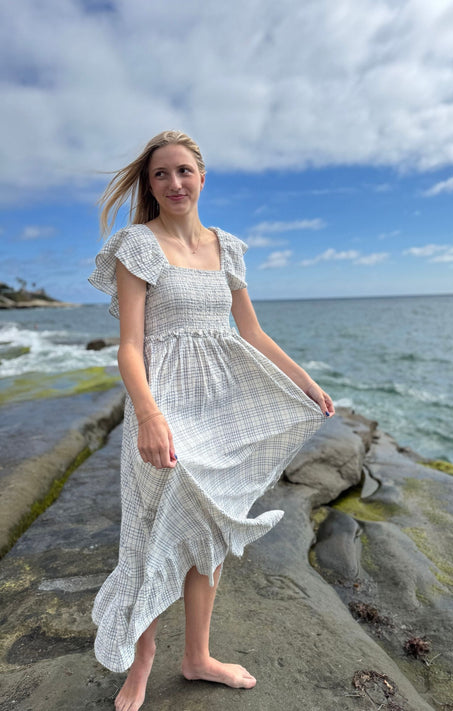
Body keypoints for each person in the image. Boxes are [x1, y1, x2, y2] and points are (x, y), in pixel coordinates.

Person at [88, 129, 334, 711]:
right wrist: (148, 415)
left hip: (219, 406)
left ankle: (196, 657)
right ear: (149, 185)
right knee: (148, 535)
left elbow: (250, 331)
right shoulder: (137, 246)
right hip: (163, 405)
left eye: (183, 172)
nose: (174, 183)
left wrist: (306, 382)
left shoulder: (227, 247)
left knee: (211, 529)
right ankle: (141, 657)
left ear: (202, 177)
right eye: (161, 174)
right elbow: (129, 345)